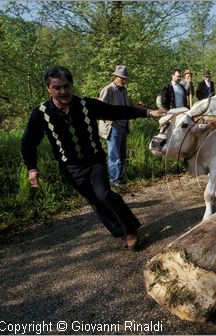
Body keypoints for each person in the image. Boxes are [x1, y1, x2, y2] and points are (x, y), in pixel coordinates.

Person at [21, 65, 165, 252]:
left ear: (72, 86)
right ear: (49, 89)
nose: (63, 91)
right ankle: (120, 231)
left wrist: (147, 112)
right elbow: (28, 142)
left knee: (104, 194)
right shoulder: (41, 113)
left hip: (94, 161)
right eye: (57, 88)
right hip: (70, 167)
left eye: (66, 86)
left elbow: (115, 111)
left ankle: (131, 231)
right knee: (96, 202)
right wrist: (32, 168)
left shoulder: (86, 105)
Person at [97, 65, 131, 187]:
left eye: (126, 78)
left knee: (122, 154)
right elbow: (99, 108)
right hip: (113, 127)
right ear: (116, 77)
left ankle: (120, 177)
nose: (125, 81)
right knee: (114, 155)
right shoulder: (108, 89)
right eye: (123, 78)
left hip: (123, 125)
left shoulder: (124, 90)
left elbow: (125, 107)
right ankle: (114, 180)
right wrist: (111, 120)